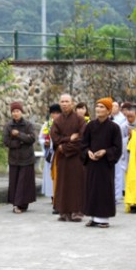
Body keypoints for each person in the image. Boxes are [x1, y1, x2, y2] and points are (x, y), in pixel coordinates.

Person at [81, 97, 122, 228]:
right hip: (92, 164)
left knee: (103, 190)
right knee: (91, 189)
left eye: (102, 107)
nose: (98, 109)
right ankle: (93, 217)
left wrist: (105, 151)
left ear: (109, 110)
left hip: (105, 165)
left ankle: (103, 219)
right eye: (97, 106)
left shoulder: (114, 128)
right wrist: (88, 152)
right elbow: (83, 144)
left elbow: (117, 148)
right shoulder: (90, 126)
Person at [51, 94, 87, 222]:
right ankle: (64, 211)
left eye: (67, 101)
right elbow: (55, 139)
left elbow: (82, 139)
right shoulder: (57, 121)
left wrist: (64, 147)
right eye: (62, 101)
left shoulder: (80, 120)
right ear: (59, 103)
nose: (65, 104)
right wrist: (68, 139)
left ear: (72, 103)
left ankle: (76, 211)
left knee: (76, 183)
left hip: (75, 157)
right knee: (63, 184)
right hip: (62, 158)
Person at [3, 101, 37, 213]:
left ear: (21, 112)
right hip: (14, 158)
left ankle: (23, 204)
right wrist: (19, 143)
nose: (15, 113)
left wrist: (18, 135)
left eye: (17, 111)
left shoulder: (28, 125)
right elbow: (6, 141)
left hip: (27, 158)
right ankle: (16, 204)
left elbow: (32, 139)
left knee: (24, 182)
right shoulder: (8, 126)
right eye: (13, 111)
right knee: (14, 182)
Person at [39, 104, 61, 212]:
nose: (55, 115)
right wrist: (45, 142)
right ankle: (53, 197)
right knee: (50, 177)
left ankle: (59, 199)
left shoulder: (63, 124)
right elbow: (41, 138)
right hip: (50, 155)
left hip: (60, 154)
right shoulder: (46, 125)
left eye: (57, 113)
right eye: (53, 113)